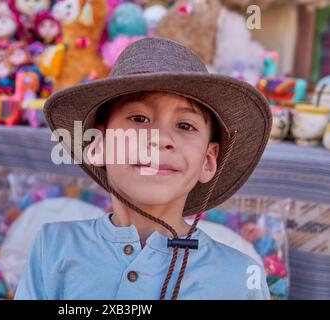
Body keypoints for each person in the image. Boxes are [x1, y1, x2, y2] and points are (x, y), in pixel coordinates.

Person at [15, 37, 272, 300]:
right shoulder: (54, 247)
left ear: (208, 161)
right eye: (139, 118)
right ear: (97, 144)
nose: (160, 139)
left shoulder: (239, 279)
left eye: (185, 126)